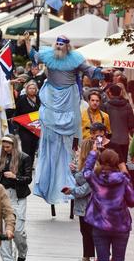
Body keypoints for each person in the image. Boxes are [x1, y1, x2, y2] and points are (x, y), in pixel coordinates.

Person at [23, 33, 105, 204]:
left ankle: (70, 180)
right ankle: (47, 180)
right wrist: (28, 42)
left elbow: (89, 70)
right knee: (50, 141)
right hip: (52, 97)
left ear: (68, 46)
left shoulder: (75, 58)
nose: (59, 45)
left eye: (62, 43)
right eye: (57, 43)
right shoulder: (48, 55)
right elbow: (34, 56)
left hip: (68, 98)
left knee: (68, 144)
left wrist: (102, 71)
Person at [83, 146, 134, 261]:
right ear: (116, 162)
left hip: (100, 225)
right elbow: (131, 201)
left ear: (100, 161)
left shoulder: (95, 178)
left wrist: (93, 153)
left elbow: (85, 172)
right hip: (120, 226)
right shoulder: (122, 179)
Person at [0, 134, 32, 261]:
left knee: (18, 230)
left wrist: (15, 177)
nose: (6, 149)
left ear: (14, 146)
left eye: (8, 147)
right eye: (4, 147)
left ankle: (22, 250)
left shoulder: (24, 158)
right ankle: (7, 259)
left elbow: (28, 179)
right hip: (3, 195)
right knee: (3, 229)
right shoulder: (1, 158)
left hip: (18, 196)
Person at [62, 138, 95, 261]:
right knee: (86, 231)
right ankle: (88, 257)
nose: (78, 151)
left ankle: (88, 258)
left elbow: (86, 187)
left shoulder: (91, 167)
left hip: (89, 205)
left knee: (90, 232)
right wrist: (75, 171)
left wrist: (72, 191)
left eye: (80, 148)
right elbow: (82, 180)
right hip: (85, 205)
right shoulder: (86, 165)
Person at [103, 84, 134, 163]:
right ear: (120, 93)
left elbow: (103, 125)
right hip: (124, 140)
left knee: (110, 164)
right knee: (123, 163)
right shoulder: (127, 106)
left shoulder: (106, 106)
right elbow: (131, 125)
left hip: (110, 140)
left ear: (110, 93)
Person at [15, 81, 41, 158]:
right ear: (26, 89)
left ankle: (31, 165)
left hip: (36, 129)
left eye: (34, 88)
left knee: (33, 148)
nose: (32, 90)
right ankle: (25, 166)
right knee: (26, 149)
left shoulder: (40, 99)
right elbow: (17, 113)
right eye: (30, 88)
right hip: (24, 129)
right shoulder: (22, 99)